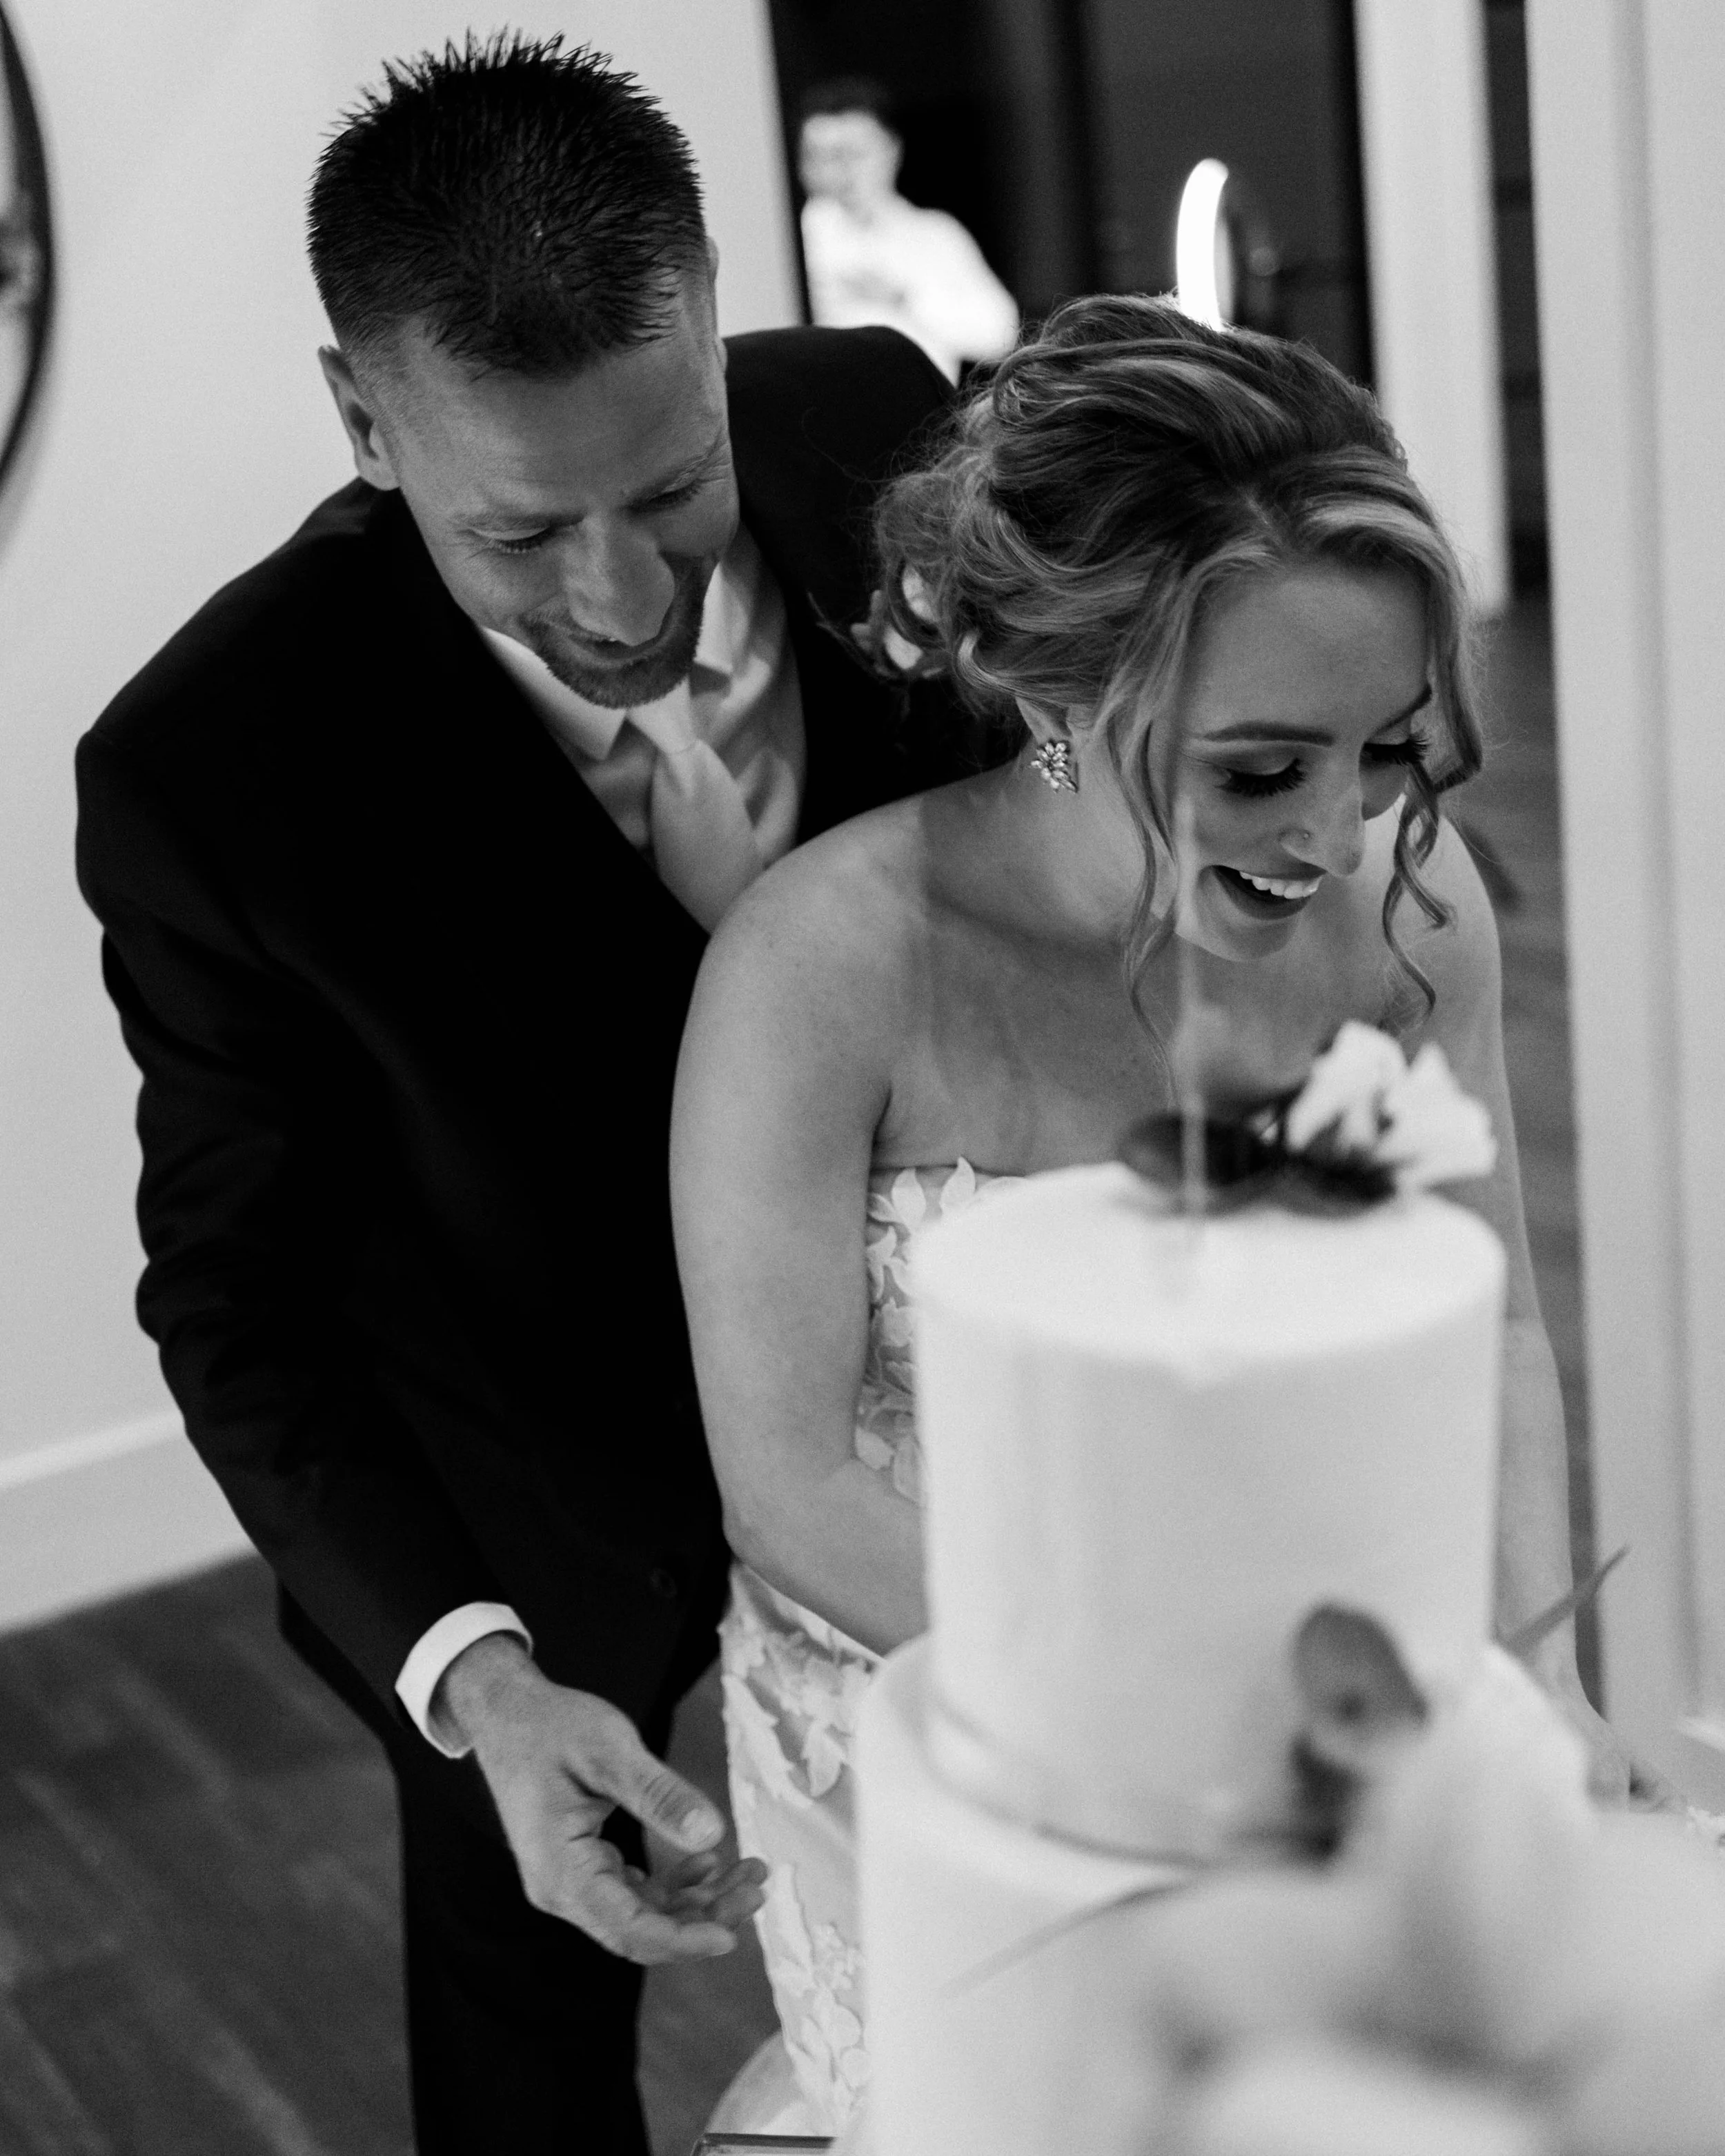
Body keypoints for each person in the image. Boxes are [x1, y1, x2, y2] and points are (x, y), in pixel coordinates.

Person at [74, 34, 978, 2156]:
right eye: (520, 531)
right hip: (537, 1496)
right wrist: (476, 1680)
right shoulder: (214, 778)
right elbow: (239, 1304)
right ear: (359, 420)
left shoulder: (886, 425)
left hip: (932, 1407)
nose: (623, 596)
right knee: (526, 2007)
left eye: (669, 488)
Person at [671, 293, 1648, 2133]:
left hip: (1347, 1698)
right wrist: (1180, 1737)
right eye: (1264, 766)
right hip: (951, 1719)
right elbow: (787, 1475)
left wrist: (1542, 1678)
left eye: (1384, 749)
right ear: (1055, 697)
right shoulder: (818, 970)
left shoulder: (1413, 927)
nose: (1339, 831)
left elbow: (1496, 1315)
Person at [797, 77, 1019, 384]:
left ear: (891, 149)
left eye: (853, 153)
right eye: (819, 156)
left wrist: (906, 298)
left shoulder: (935, 234)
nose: (837, 171)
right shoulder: (799, 240)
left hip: (927, 416)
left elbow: (1000, 335)